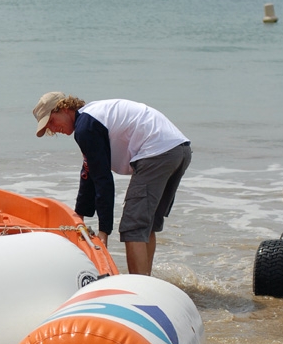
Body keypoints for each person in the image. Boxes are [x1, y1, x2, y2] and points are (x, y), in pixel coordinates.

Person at [33, 92, 192, 276]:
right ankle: (147, 283)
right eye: (48, 128)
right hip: (178, 150)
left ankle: (138, 289)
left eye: (51, 121)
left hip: (156, 153)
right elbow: (89, 172)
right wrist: (79, 216)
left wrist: (103, 232)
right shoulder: (92, 117)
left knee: (133, 227)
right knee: (145, 227)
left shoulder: (86, 126)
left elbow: (103, 180)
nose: (53, 129)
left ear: (64, 108)